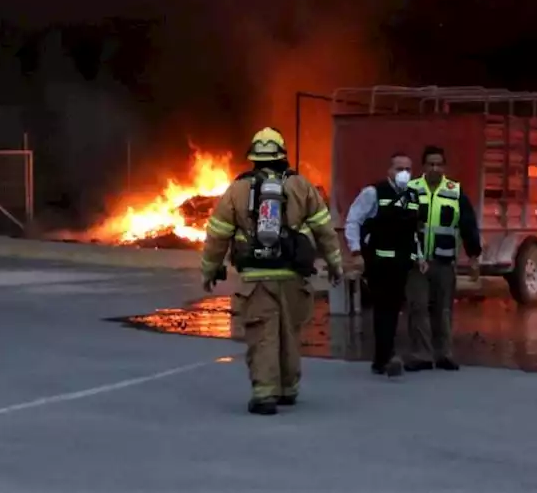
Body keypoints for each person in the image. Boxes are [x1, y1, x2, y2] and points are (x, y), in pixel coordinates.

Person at [200, 126, 344, 415]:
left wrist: (210, 269)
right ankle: (288, 389)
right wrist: (334, 264)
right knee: (289, 334)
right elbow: (325, 230)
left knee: (263, 335)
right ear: (283, 155)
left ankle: (265, 394)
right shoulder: (301, 186)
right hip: (293, 276)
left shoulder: (238, 189)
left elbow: (217, 234)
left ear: (253, 158)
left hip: (255, 277)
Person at [403, 145, 482, 372]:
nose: (435, 168)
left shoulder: (454, 191)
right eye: (430, 164)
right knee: (418, 307)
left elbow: (468, 225)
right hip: (416, 263)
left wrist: (474, 256)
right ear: (423, 166)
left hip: (444, 262)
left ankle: (443, 354)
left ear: (444, 166)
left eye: (438, 164)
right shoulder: (411, 190)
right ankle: (421, 355)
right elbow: (401, 224)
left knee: (443, 309)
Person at [344, 151, 420, 377]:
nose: (403, 173)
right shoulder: (373, 193)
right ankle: (386, 357)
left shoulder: (413, 196)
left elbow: (412, 231)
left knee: (394, 308)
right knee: (383, 308)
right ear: (389, 171)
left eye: (407, 169)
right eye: (399, 169)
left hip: (401, 263)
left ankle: (383, 358)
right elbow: (353, 220)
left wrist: (420, 256)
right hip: (378, 261)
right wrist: (355, 250)